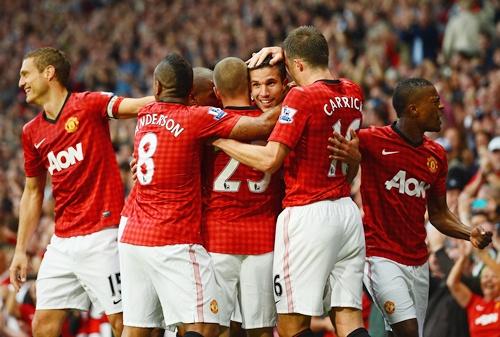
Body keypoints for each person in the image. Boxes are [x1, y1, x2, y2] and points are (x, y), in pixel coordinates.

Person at [213, 26, 370, 337]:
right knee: (349, 317)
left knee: (290, 325)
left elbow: (271, 159)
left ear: (293, 68)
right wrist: (287, 51)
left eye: (277, 77)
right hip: (346, 214)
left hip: (307, 214)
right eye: (256, 85)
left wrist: (219, 142)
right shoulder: (353, 91)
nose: (263, 91)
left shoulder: (299, 97)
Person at [118, 53, 280, 337]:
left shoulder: (150, 115)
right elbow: (265, 125)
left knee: (156, 326)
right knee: (239, 327)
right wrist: (296, 95)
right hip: (250, 235)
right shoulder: (203, 120)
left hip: (162, 232)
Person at [328, 77, 492, 337]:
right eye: (435, 101)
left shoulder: (436, 155)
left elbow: (438, 214)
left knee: (405, 333)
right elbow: (339, 176)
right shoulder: (370, 139)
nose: (441, 108)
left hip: (418, 261)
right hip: (380, 254)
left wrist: (467, 232)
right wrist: (353, 163)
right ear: (413, 109)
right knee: (408, 331)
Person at [9, 47, 154, 337]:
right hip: (62, 242)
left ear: (49, 72)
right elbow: (33, 192)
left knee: (125, 323)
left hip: (103, 236)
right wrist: (20, 251)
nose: (20, 82)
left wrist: (177, 94)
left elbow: (138, 106)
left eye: (26, 74)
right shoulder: (31, 132)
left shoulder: (88, 104)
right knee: (42, 325)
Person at [201, 57, 284, 337]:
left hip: (218, 235)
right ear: (249, 86)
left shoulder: (206, 125)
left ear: (216, 91)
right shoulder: (275, 122)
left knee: (218, 327)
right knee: (261, 329)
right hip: (263, 236)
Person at [447, 250, 500, 337]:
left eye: (494, 276)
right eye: (485, 276)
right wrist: (464, 256)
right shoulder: (474, 302)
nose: (489, 280)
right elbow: (452, 283)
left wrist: (480, 252)